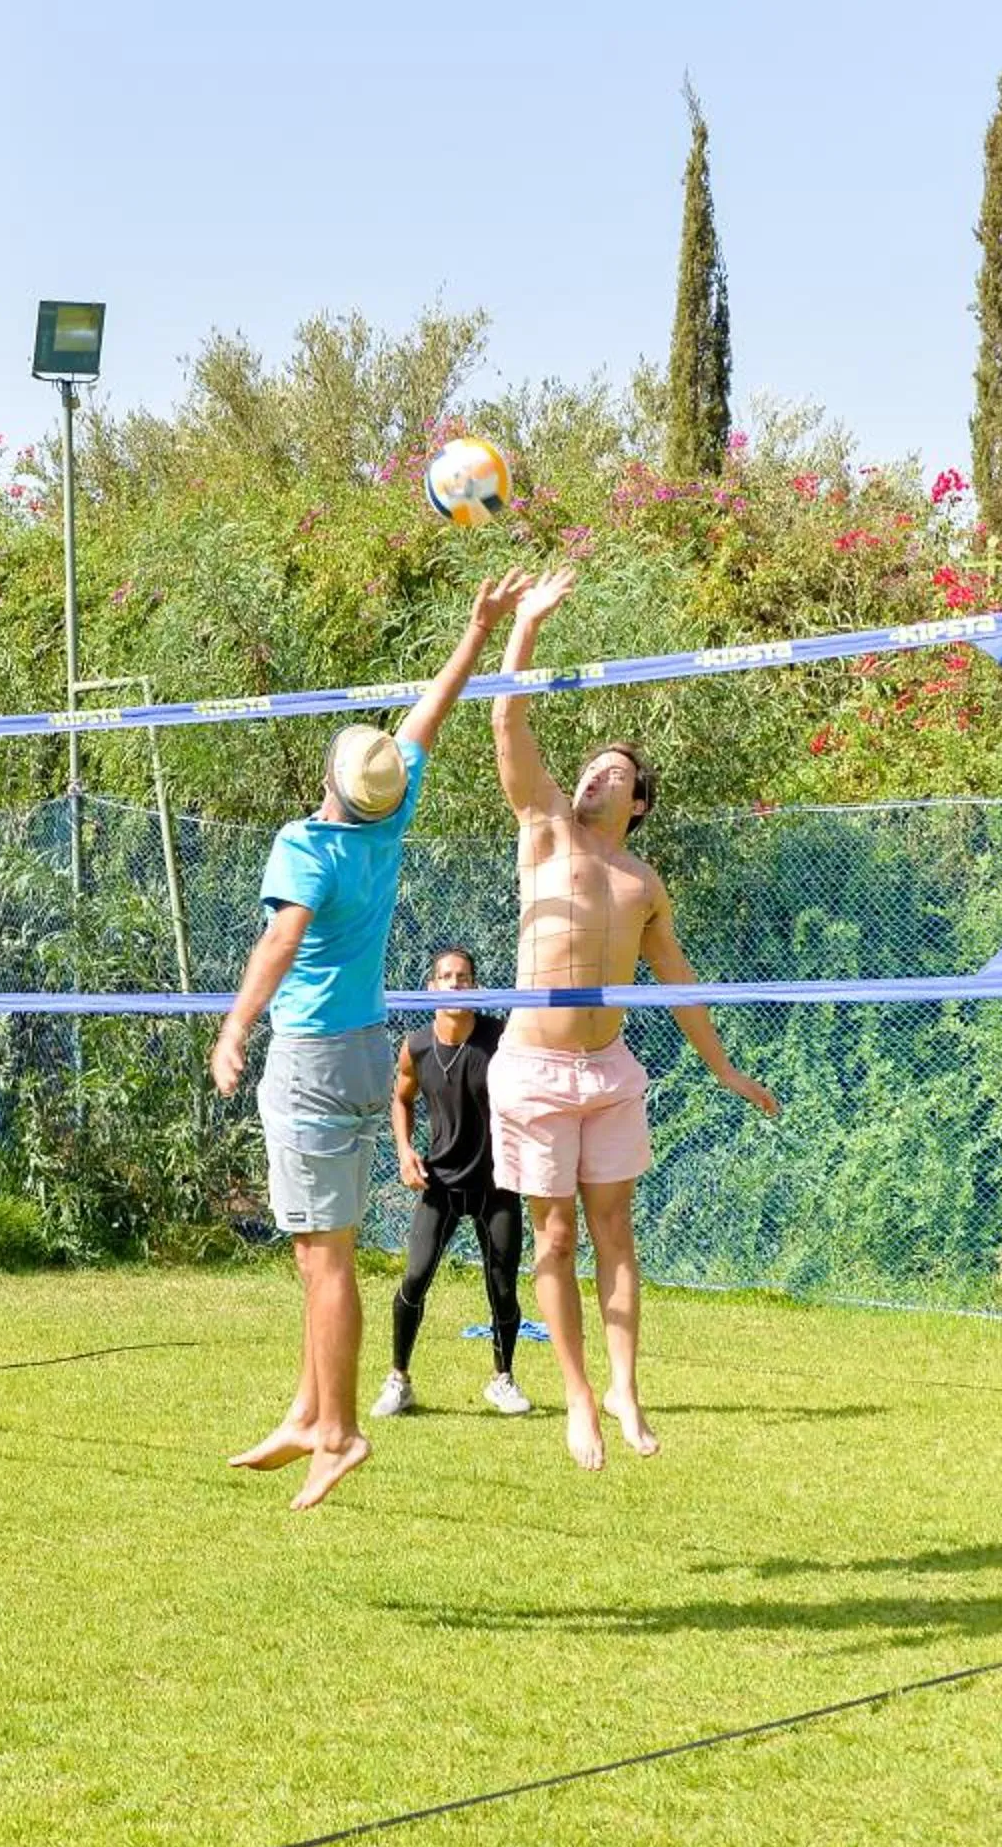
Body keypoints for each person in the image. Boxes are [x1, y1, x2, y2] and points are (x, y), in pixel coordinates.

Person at [212, 567, 532, 1511]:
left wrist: (235, 1026)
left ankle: (340, 1428)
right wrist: (476, 630)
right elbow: (430, 716)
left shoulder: (307, 844)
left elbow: (282, 935)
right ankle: (308, 1410)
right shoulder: (387, 823)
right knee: (324, 1252)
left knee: (325, 1259)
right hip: (362, 1051)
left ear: (329, 781)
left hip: (312, 1056)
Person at [487, 566, 778, 1472]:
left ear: (637, 803)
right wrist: (526, 625)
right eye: (588, 769)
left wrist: (724, 1068)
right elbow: (506, 716)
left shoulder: (643, 883)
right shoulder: (543, 829)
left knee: (616, 1231)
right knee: (557, 1234)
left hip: (608, 1072)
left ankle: (622, 1386)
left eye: (611, 773)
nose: (592, 777)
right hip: (533, 1069)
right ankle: (575, 1394)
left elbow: (677, 979)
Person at [374, 944, 528, 1420]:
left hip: (496, 1184)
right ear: (431, 988)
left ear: (476, 987)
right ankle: (399, 1380)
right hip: (440, 1183)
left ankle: (503, 1379)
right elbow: (400, 1098)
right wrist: (404, 1150)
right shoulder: (417, 1045)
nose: (456, 985)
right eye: (447, 977)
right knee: (415, 1278)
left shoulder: (501, 1038)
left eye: (464, 978)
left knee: (502, 1287)